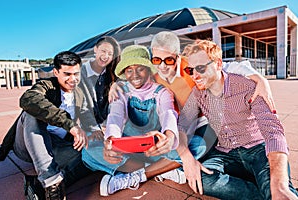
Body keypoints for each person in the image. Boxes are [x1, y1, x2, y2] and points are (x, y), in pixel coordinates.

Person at [109, 31, 277, 190]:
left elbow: (225, 66)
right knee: (170, 143)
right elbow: (134, 78)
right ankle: (171, 167)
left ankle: (148, 173)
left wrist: (260, 79)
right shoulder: (154, 72)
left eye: (168, 60)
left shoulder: (191, 67)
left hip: (203, 120)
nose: (162, 66)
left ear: (177, 56)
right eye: (156, 60)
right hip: (178, 122)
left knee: (199, 147)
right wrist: (117, 84)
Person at [179, 39, 298, 200]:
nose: (194, 76)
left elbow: (273, 132)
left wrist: (279, 186)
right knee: (201, 178)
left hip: (258, 150)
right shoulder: (197, 94)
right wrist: (186, 158)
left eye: (200, 68)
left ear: (218, 64)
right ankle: (264, 192)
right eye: (190, 70)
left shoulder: (247, 86)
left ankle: (274, 189)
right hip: (225, 153)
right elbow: (181, 127)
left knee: (278, 190)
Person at [81, 44, 185, 196]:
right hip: (127, 150)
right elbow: (115, 117)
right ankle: (159, 170)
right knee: (87, 151)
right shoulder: (120, 92)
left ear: (148, 69)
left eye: (140, 68)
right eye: (129, 70)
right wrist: (111, 142)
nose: (134, 75)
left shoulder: (162, 92)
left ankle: (134, 175)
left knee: (195, 145)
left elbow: (168, 113)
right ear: (124, 73)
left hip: (155, 149)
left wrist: (168, 137)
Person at [0, 51, 98, 200]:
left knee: (93, 157)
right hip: (28, 145)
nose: (73, 79)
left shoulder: (79, 92)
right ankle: (52, 181)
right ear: (56, 72)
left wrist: (95, 130)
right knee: (31, 112)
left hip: (57, 147)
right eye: (67, 74)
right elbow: (28, 99)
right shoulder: (46, 85)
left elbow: (85, 113)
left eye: (76, 74)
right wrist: (69, 124)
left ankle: (38, 185)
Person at [79, 36, 121, 139]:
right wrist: (95, 128)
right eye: (103, 51)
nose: (105, 56)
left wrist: (117, 84)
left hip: (110, 126)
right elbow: (82, 106)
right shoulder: (81, 73)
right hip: (88, 127)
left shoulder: (114, 73)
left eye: (110, 54)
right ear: (95, 49)